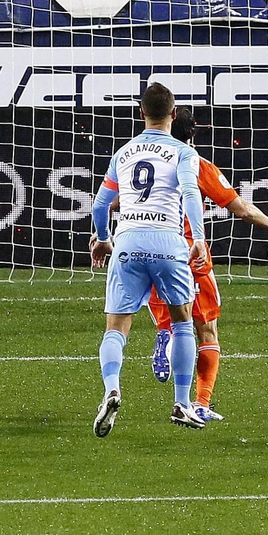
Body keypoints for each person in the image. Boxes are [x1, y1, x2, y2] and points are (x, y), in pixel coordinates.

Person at [144, 106, 268, 421]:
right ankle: (200, 403)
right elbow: (241, 209)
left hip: (145, 250)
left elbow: (113, 198)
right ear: (192, 132)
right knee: (206, 331)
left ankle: (165, 339)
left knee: (171, 322)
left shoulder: (146, 159)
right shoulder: (197, 165)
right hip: (187, 255)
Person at [90, 83, 211, 436]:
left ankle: (112, 388)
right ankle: (182, 403)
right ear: (174, 115)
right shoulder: (184, 153)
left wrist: (102, 239)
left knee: (116, 328)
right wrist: (199, 239)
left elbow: (99, 206)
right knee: (183, 323)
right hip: (169, 243)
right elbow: (190, 193)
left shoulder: (123, 154)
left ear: (141, 113)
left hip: (127, 240)